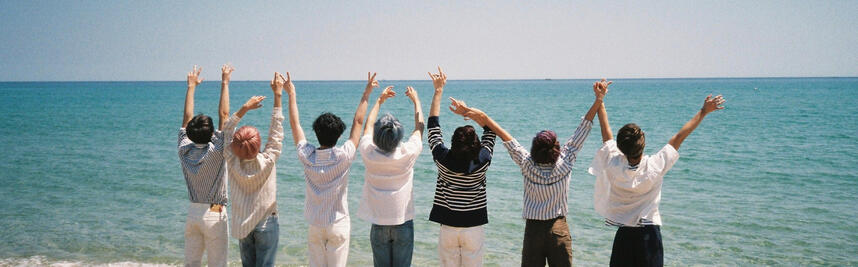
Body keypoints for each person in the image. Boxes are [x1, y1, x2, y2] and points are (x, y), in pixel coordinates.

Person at [450, 80, 608, 267]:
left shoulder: (527, 164)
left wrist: (472, 113)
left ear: (534, 149)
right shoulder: (566, 161)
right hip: (559, 228)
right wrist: (599, 99)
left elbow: (500, 132)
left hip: (533, 229)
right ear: (557, 149)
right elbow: (584, 127)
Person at [588, 85, 726, 267]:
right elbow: (679, 137)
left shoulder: (614, 164)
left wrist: (600, 100)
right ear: (643, 145)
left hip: (624, 235)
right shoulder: (655, 166)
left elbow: (606, 135)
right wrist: (703, 111)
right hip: (649, 235)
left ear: (620, 147)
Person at [290, 72, 379, 267]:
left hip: (315, 224)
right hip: (338, 223)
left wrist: (291, 94)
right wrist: (367, 92)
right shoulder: (344, 156)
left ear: (316, 133)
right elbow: (358, 122)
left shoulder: (307, 156)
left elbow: (295, 125)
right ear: (338, 135)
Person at [425, 67, 496, 267]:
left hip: (448, 226)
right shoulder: (483, 160)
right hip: (474, 227)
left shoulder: (442, 158)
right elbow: (491, 130)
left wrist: (438, 91)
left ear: (454, 143)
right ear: (476, 144)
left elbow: (433, 128)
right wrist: (467, 113)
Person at [222, 70, 287, 267]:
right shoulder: (268, 160)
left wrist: (244, 109)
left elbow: (225, 131)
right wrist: (278, 96)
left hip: (242, 225)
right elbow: (276, 132)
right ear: (258, 145)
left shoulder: (231, 161)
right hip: (267, 222)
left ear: (235, 145)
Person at [357, 85, 424, 267]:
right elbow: (419, 128)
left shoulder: (368, 152)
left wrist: (379, 100)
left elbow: (367, 126)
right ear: (399, 135)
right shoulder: (407, 152)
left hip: (378, 223)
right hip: (402, 222)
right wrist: (416, 101)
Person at [177, 65, 230, 267]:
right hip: (214, 213)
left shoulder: (184, 149)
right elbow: (224, 115)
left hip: (193, 212)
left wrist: (191, 87)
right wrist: (225, 82)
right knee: (218, 264)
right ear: (211, 134)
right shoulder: (217, 150)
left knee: (191, 263)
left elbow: (185, 120)